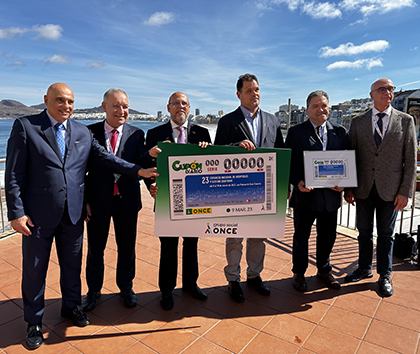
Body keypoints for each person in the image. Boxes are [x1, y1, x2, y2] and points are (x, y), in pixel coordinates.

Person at [5, 83, 157, 350]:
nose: (66, 106)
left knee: (72, 267)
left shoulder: (82, 131)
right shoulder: (26, 126)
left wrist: (138, 171)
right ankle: (34, 322)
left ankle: (71, 307)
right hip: (38, 216)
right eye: (60, 101)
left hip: (73, 214)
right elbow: (14, 174)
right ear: (46, 100)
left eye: (70, 102)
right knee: (34, 270)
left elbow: (106, 159)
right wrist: (16, 213)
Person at [82, 88, 158, 312]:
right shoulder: (89, 132)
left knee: (127, 247)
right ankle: (93, 291)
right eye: (116, 105)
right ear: (104, 107)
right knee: (96, 248)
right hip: (98, 200)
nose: (121, 110)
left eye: (125, 106)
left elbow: (139, 163)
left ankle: (126, 287)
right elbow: (82, 171)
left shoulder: (136, 134)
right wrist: (85, 199)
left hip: (127, 200)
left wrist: (151, 159)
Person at [214, 73, 285, 303]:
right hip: (236, 191)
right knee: (234, 237)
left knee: (258, 237)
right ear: (238, 94)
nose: (254, 94)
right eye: (249, 90)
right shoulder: (227, 121)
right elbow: (216, 154)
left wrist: (284, 188)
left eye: (257, 90)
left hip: (264, 192)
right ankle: (233, 279)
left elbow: (281, 153)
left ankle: (254, 275)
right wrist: (236, 146)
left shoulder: (273, 120)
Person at [344, 78, 416, 297]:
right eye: (382, 89)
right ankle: (364, 268)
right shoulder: (357, 122)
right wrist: (349, 188)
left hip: (392, 190)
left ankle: (384, 274)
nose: (388, 92)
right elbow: (351, 157)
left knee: (386, 234)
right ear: (372, 94)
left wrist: (405, 191)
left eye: (391, 89)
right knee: (363, 232)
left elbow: (411, 159)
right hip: (364, 188)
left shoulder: (406, 121)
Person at [145, 91, 211, 310]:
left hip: (195, 201)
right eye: (176, 104)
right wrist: (151, 187)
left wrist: (207, 151)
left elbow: (211, 166)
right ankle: (166, 291)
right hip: (166, 200)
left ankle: (191, 284)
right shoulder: (154, 133)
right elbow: (149, 167)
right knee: (169, 247)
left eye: (184, 104)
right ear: (168, 107)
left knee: (192, 244)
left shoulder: (202, 133)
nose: (180, 107)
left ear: (189, 108)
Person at [285, 90, 350, 292]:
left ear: (329, 108)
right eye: (315, 106)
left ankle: (324, 270)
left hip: (330, 196)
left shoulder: (340, 132)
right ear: (307, 110)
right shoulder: (296, 132)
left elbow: (348, 161)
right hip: (306, 195)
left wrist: (344, 183)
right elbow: (289, 163)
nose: (320, 109)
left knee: (328, 235)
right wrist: (297, 182)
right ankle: (299, 272)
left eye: (324, 105)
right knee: (301, 236)